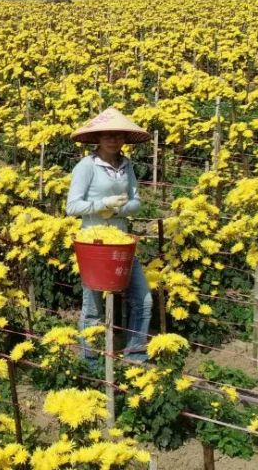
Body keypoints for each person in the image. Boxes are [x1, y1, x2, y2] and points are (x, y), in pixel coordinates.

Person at [65, 107, 152, 361]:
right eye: (107, 135)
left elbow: (137, 201)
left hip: (123, 241)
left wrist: (119, 209)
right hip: (94, 242)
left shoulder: (127, 165)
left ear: (124, 139)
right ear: (98, 139)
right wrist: (102, 206)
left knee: (143, 299)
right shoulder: (87, 166)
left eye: (118, 135)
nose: (113, 140)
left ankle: (136, 355)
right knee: (93, 307)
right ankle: (90, 360)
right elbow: (72, 207)